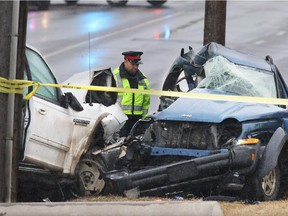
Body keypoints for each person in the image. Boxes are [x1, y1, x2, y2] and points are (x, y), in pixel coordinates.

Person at [113, 51, 150, 137]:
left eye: (137, 65)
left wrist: (144, 121)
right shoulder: (115, 77)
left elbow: (146, 103)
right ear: (125, 60)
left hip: (137, 122)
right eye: (133, 64)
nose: (135, 67)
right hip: (120, 120)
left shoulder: (143, 79)